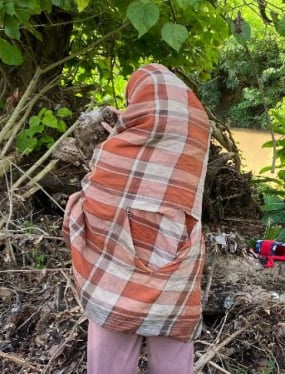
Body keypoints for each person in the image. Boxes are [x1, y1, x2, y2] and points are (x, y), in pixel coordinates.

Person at [63, 63, 211, 374]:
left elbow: (99, 189)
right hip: (176, 249)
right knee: (172, 337)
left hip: (119, 259)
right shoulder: (197, 126)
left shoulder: (122, 141)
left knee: (113, 329)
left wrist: (113, 139)